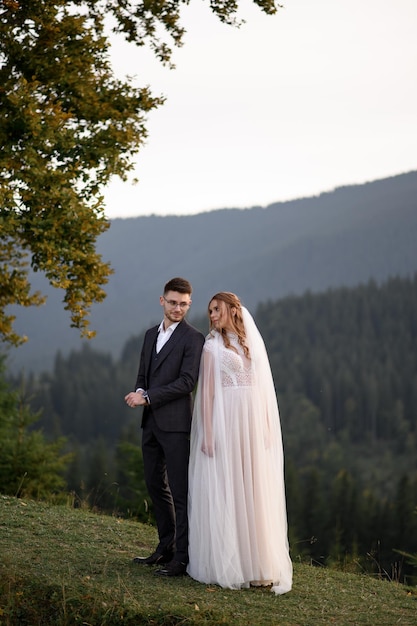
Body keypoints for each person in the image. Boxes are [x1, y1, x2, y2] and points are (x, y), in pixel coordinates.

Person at [187, 292, 292, 594]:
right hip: (227, 422)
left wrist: (269, 427)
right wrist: (207, 433)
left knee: (255, 489)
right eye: (209, 311)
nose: (212, 315)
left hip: (252, 423)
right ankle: (235, 565)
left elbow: (263, 391)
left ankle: (260, 567)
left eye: (216, 309)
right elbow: (206, 394)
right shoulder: (211, 348)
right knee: (233, 488)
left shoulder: (251, 343)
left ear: (233, 310)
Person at [125, 277, 205, 577]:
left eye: (183, 304)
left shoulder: (193, 338)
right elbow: (143, 374)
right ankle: (165, 548)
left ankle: (182, 559)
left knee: (180, 492)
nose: (177, 308)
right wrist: (139, 391)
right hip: (150, 424)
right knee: (155, 485)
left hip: (176, 426)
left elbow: (187, 382)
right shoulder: (149, 335)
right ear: (162, 301)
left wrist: (147, 397)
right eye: (173, 302)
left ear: (189, 304)